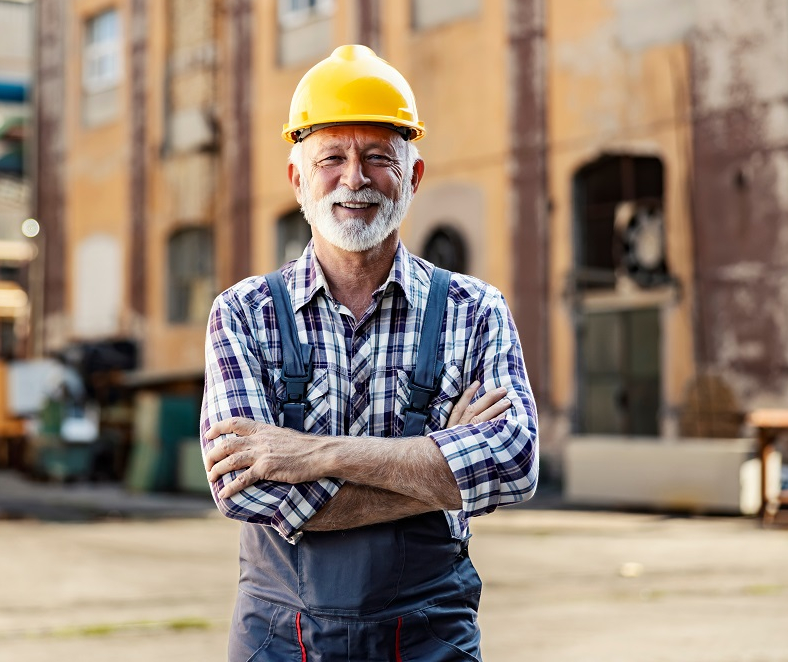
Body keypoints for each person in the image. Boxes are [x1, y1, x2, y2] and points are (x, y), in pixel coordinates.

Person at [201, 45, 539, 661]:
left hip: (429, 639)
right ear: (297, 179)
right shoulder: (243, 315)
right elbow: (244, 490)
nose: (354, 178)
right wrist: (441, 473)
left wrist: (311, 453)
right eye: (332, 157)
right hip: (283, 642)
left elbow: (515, 465)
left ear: (412, 177)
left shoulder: (475, 311)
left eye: (378, 157)